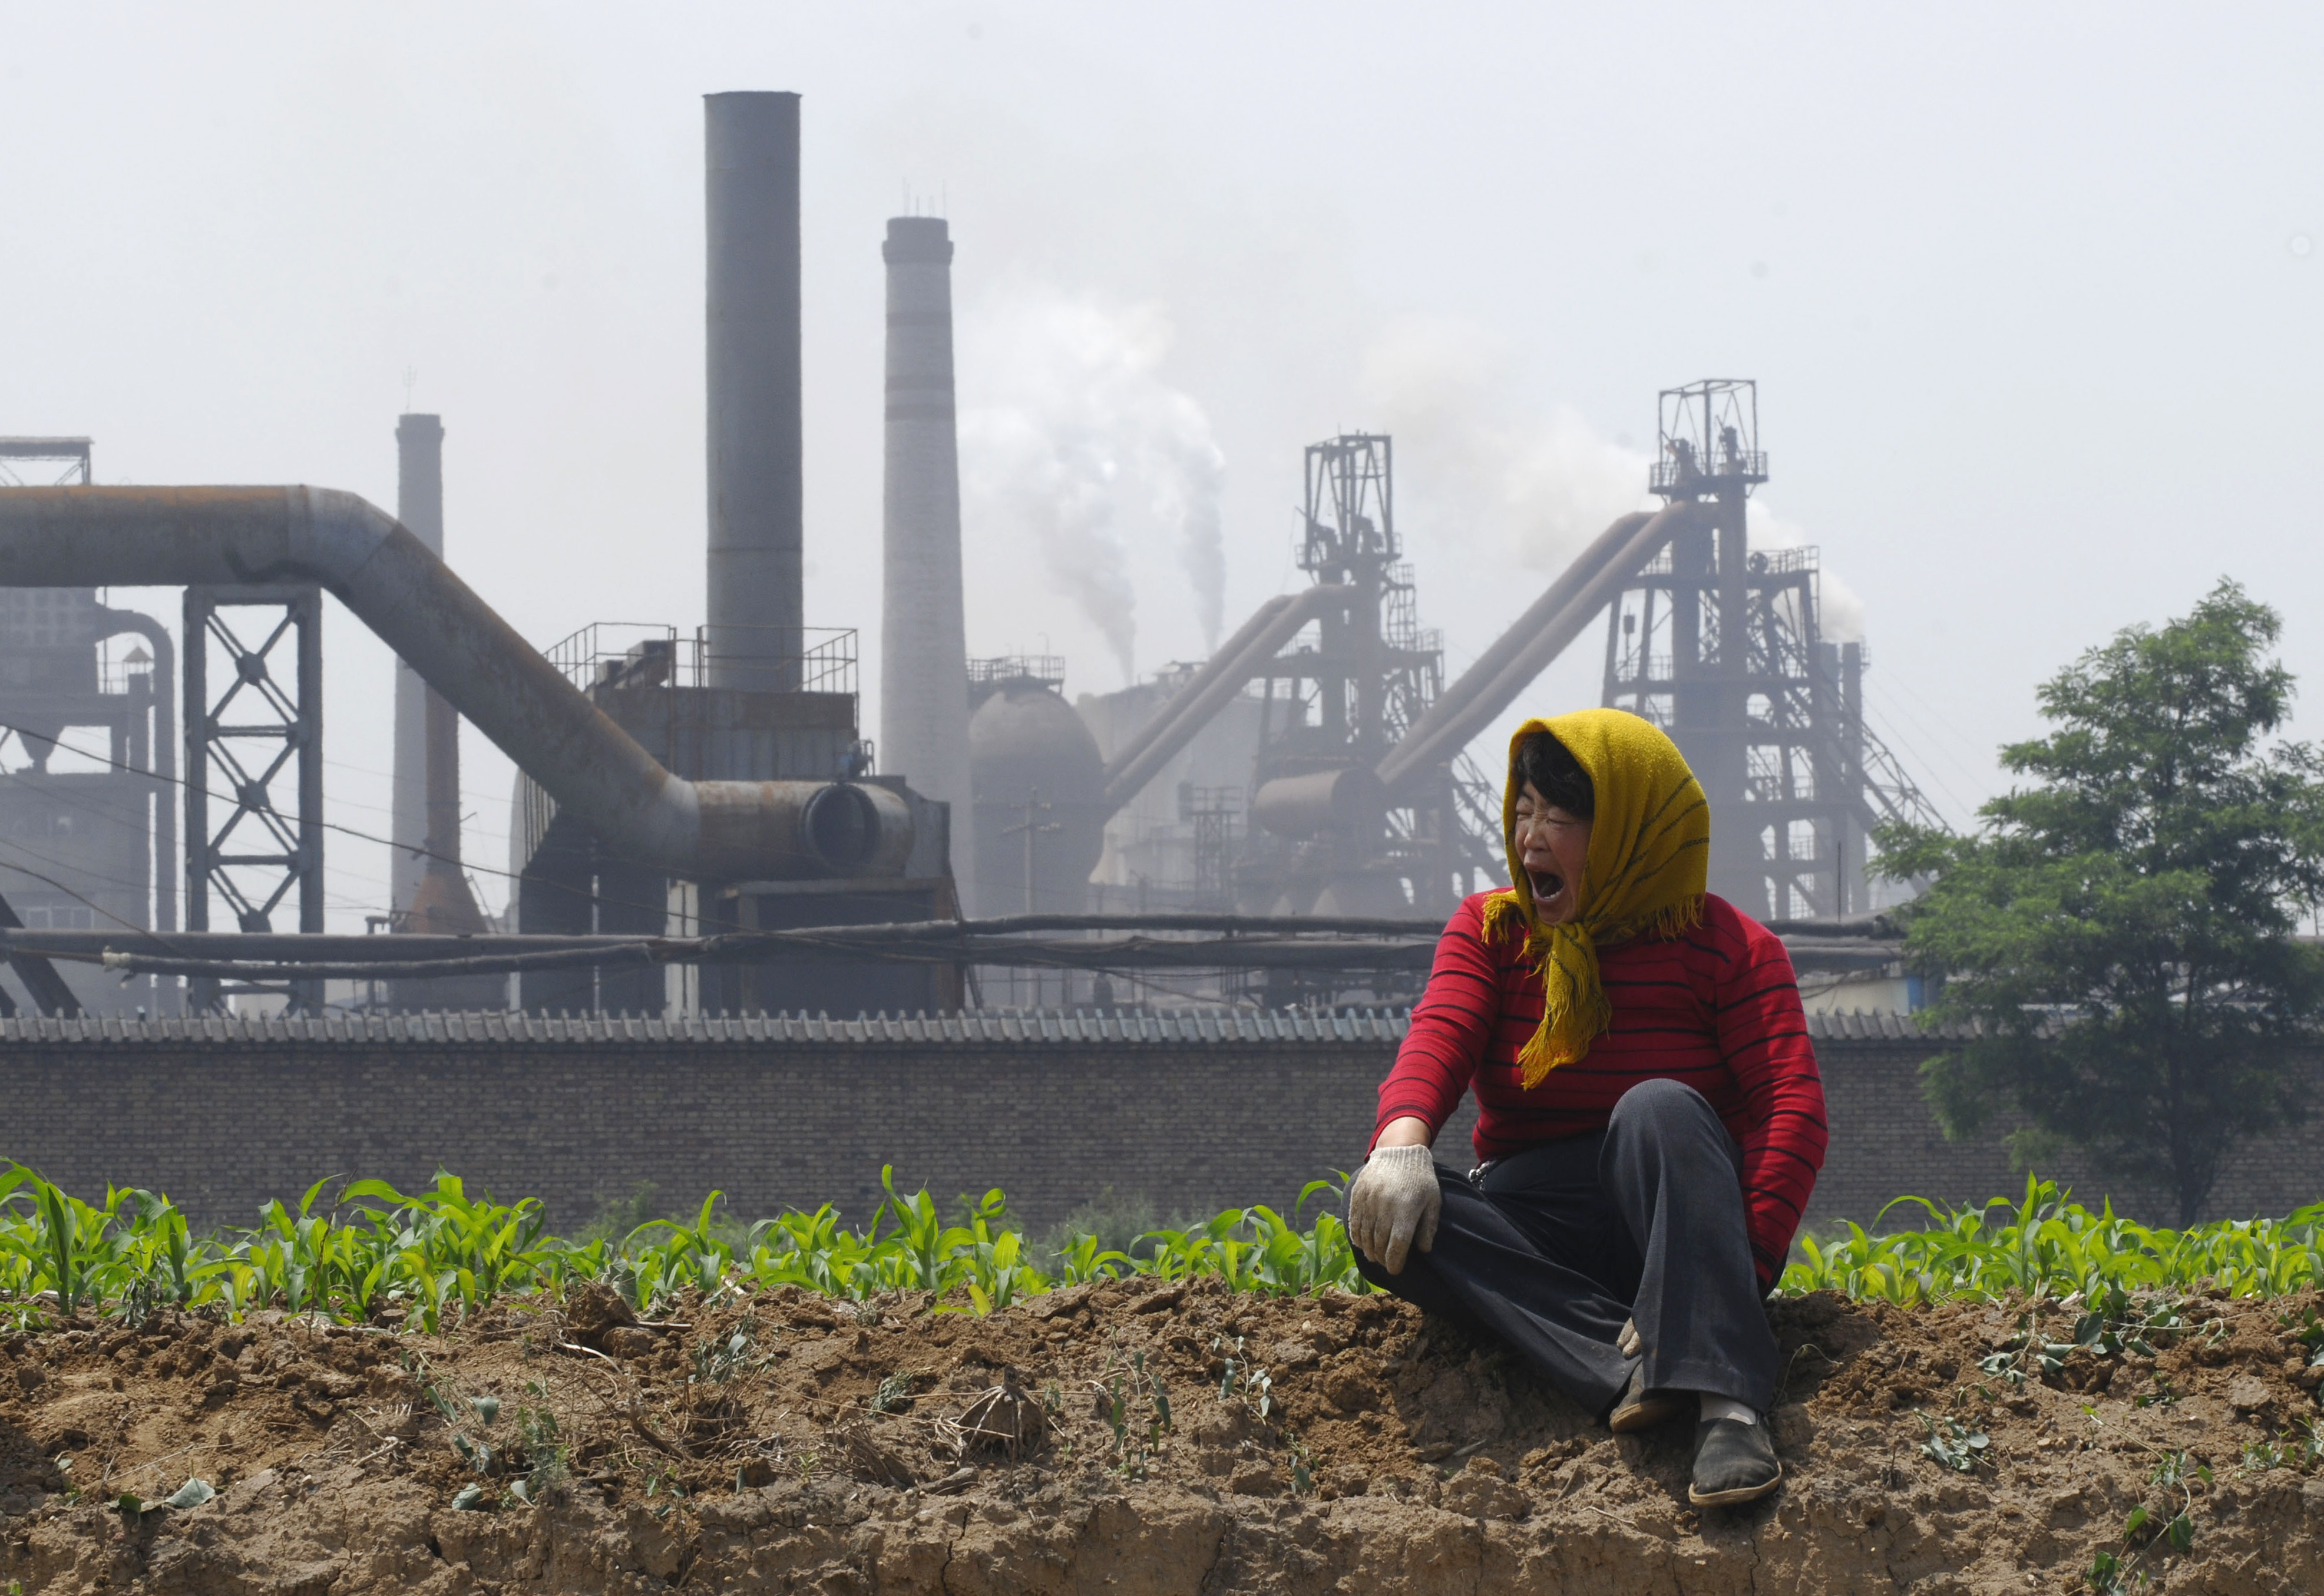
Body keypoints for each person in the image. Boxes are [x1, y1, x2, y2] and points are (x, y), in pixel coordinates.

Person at [1345, 708, 1827, 1507]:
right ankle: (1625, 1362)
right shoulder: (1491, 930)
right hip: (1538, 1228)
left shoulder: (1730, 948)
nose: (1530, 836)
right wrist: (1399, 1143)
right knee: (1382, 1218)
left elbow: (1791, 1110)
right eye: (1523, 809)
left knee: (1659, 1107)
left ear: (1629, 828)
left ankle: (1727, 1409)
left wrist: (1730, 1276)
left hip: (1676, 1224)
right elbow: (1440, 1034)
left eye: (1559, 817)